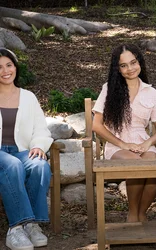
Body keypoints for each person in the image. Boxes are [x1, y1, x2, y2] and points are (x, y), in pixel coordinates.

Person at [92, 44, 156, 223]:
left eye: (133, 63)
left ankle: (141, 212)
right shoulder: (109, 89)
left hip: (143, 143)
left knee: (154, 170)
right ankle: (133, 214)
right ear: (118, 69)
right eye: (124, 65)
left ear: (139, 62)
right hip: (117, 146)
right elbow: (96, 125)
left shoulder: (151, 92)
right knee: (137, 165)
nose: (130, 68)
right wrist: (123, 144)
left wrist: (149, 143)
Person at [0, 48, 53, 250]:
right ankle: (15, 229)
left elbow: (40, 127)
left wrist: (39, 145)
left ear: (15, 67)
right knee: (12, 165)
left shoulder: (28, 97)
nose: (5, 71)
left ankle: (31, 225)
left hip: (22, 150)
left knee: (40, 165)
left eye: (9, 65)